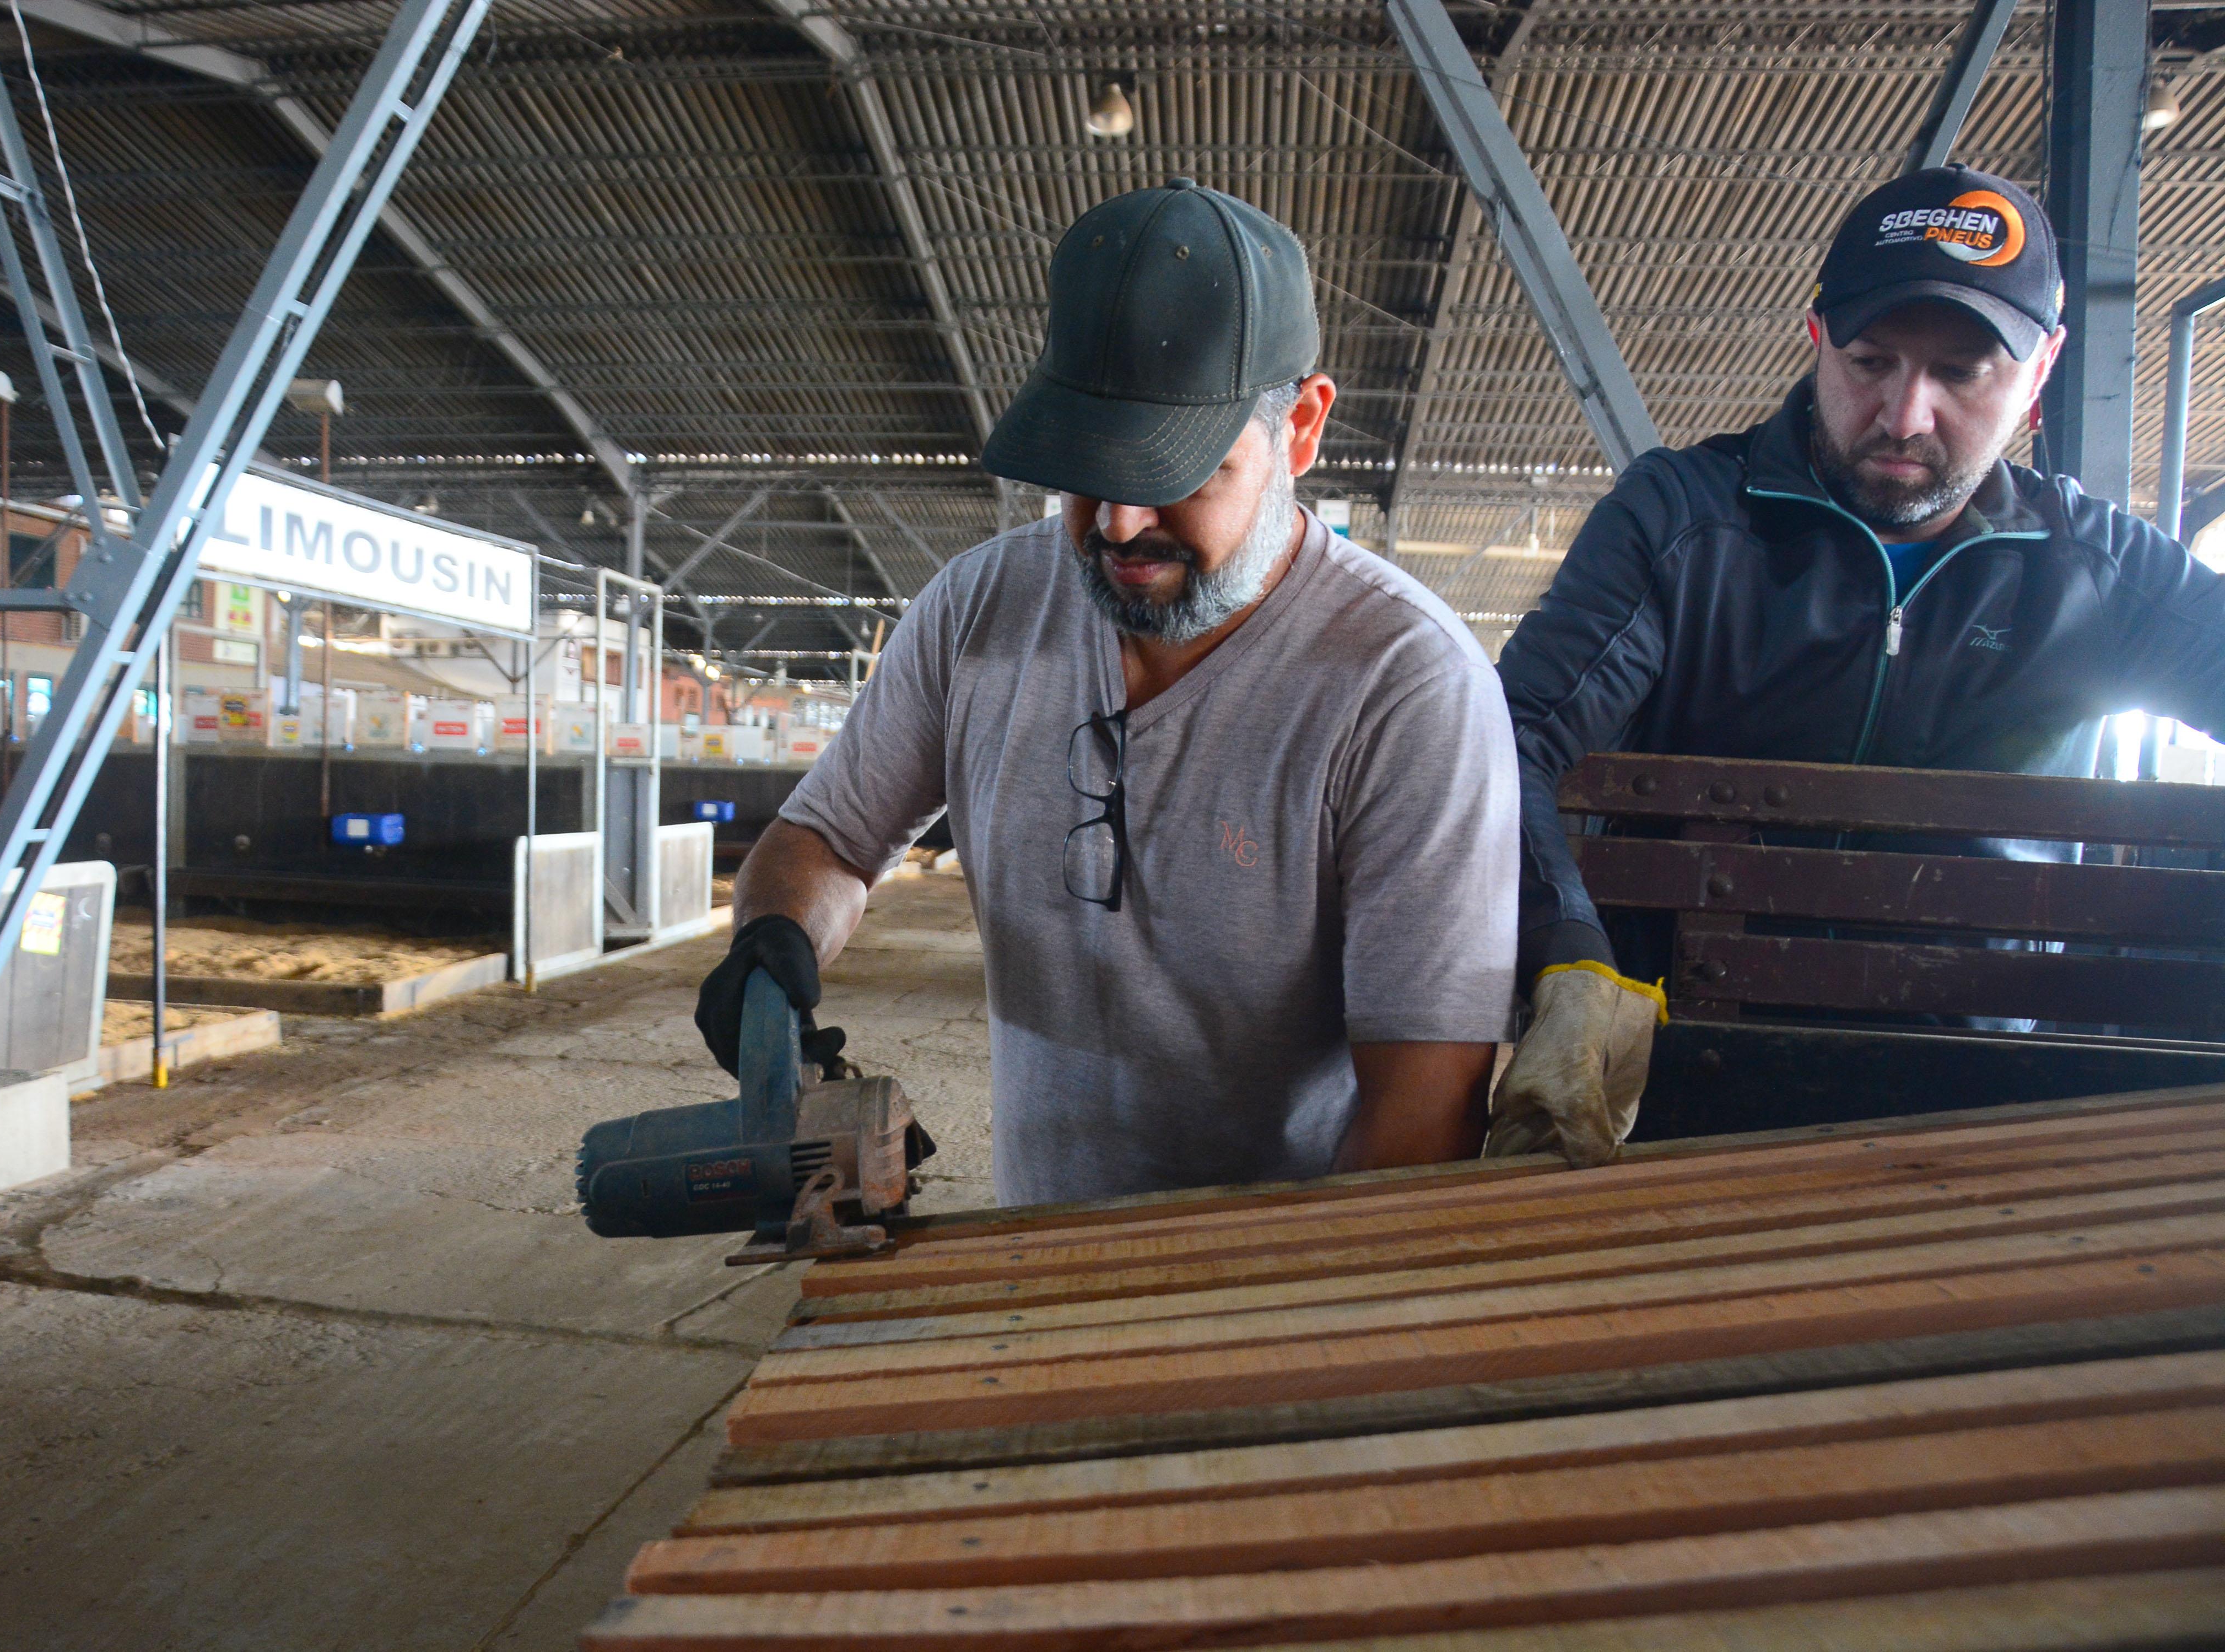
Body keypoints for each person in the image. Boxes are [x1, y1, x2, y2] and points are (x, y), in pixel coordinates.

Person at [693, 179, 1520, 1205]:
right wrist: (774, 941)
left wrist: (1282, 1292)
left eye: (1179, 471)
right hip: (1036, 1244)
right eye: (1086, 466)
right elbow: (828, 840)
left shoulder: (1408, 688)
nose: (1119, 525)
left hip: (1277, 1270)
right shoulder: (978, 610)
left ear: (1302, 429)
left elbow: (1424, 1112)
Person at [1494, 164, 2225, 1168]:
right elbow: (1510, 739)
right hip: (1680, 1081)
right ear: (1816, 337)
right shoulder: (1680, 525)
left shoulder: (2097, 572)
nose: (1905, 414)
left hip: (1986, 1109)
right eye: (1871, 361)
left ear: (2042, 370)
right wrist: (1568, 952)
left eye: (1961, 373)